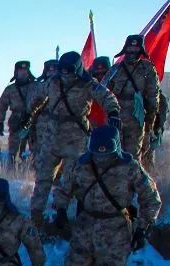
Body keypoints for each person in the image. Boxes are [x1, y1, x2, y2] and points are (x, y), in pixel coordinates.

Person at [52, 125, 162, 266]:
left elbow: (151, 198)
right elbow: (63, 190)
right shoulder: (80, 166)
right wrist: (61, 210)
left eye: (106, 153)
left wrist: (142, 227)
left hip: (116, 232)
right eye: (97, 153)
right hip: (84, 229)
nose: (101, 157)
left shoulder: (129, 167)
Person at [28, 52, 120, 229]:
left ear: (77, 69)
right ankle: (36, 215)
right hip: (52, 136)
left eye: (68, 70)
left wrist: (113, 112)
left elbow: (107, 97)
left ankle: (60, 213)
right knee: (43, 177)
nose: (65, 73)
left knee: (69, 180)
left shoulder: (87, 84)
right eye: (61, 70)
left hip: (76, 138)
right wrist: (30, 113)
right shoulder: (53, 81)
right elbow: (37, 97)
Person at [105, 35, 161, 163]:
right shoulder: (116, 69)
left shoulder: (147, 68)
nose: (132, 53)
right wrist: (110, 113)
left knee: (132, 158)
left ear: (140, 51)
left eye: (135, 50)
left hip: (136, 119)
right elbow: (104, 92)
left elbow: (153, 97)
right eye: (129, 49)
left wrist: (149, 124)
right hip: (115, 119)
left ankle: (131, 182)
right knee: (112, 156)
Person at [0, 61, 36, 164]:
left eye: (25, 70)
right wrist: (0, 122)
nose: (23, 72)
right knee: (15, 152)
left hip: (34, 121)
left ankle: (33, 174)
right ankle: (13, 173)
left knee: (37, 150)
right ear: (16, 72)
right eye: (21, 70)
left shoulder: (36, 87)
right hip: (17, 122)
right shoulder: (10, 90)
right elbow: (2, 105)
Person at [23, 59, 59, 160]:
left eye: (54, 71)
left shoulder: (65, 88)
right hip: (41, 126)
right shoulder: (38, 86)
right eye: (49, 71)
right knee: (41, 157)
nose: (51, 74)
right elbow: (32, 106)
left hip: (60, 126)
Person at [143, 90, 168, 169]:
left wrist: (156, 130)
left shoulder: (160, 98)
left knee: (148, 157)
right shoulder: (157, 97)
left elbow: (161, 118)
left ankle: (149, 176)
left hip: (153, 132)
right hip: (151, 131)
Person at [88, 57, 112, 130]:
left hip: (111, 127)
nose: (100, 76)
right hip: (91, 127)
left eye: (104, 73)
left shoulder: (117, 84)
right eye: (97, 74)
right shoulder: (87, 85)